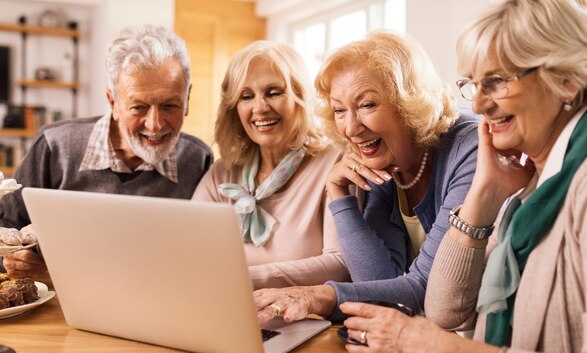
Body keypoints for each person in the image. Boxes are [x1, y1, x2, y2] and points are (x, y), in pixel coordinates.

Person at [334, 1, 587, 353]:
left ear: (569, 78)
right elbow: (444, 309)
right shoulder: (534, 184)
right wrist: (484, 193)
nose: (480, 105)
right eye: (473, 84)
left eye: (498, 81)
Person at [254, 31, 478, 321]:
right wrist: (338, 195)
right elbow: (378, 283)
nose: (350, 127)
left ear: (409, 101)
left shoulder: (469, 146)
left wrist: (317, 296)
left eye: (367, 105)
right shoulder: (382, 159)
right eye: (338, 110)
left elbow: (426, 288)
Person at [0, 24, 213, 278]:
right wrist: (12, 259)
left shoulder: (198, 160)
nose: (155, 124)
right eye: (138, 107)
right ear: (114, 102)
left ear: (187, 100)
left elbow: (205, 251)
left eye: (170, 105)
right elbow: (5, 226)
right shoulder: (54, 146)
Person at [191, 40, 349, 288]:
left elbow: (341, 265)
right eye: (246, 96)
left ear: (300, 97)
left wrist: (245, 279)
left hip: (307, 321)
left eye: (273, 92)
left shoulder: (335, 163)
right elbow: (189, 255)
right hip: (227, 312)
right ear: (234, 108)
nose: (260, 108)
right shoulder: (221, 174)